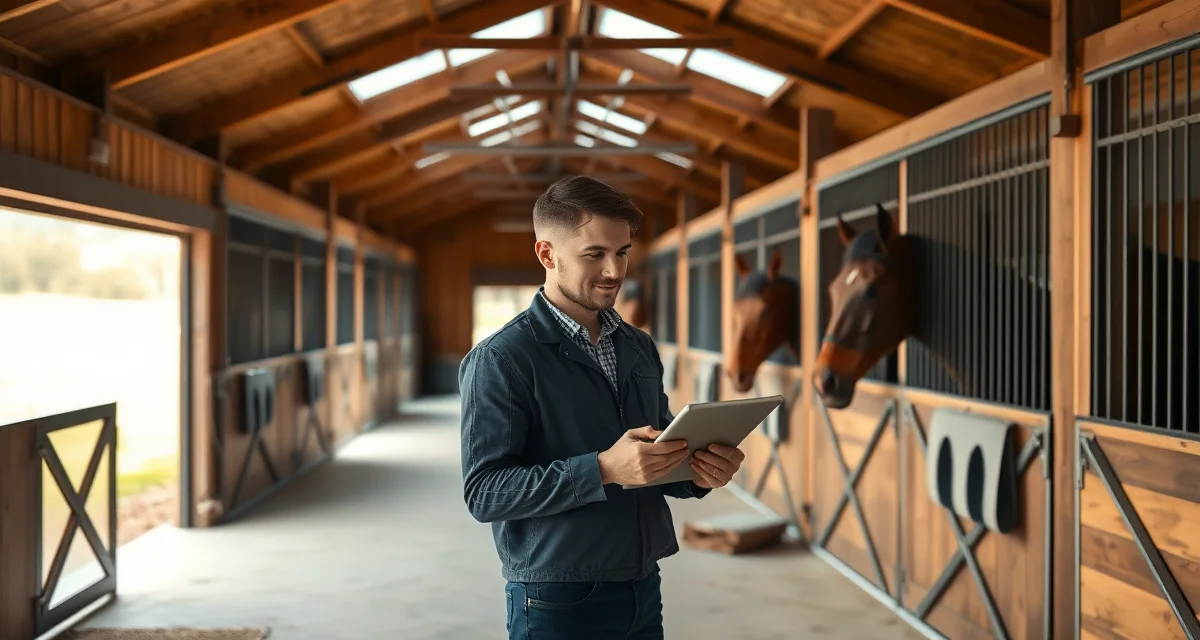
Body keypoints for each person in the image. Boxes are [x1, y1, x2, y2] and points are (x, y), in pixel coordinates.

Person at [459, 176, 746, 639]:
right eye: (594, 254)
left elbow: (657, 447)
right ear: (546, 254)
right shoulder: (501, 358)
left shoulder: (637, 345)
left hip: (642, 581)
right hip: (557, 595)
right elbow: (485, 493)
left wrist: (700, 473)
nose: (615, 270)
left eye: (623, 252)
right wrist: (604, 470)